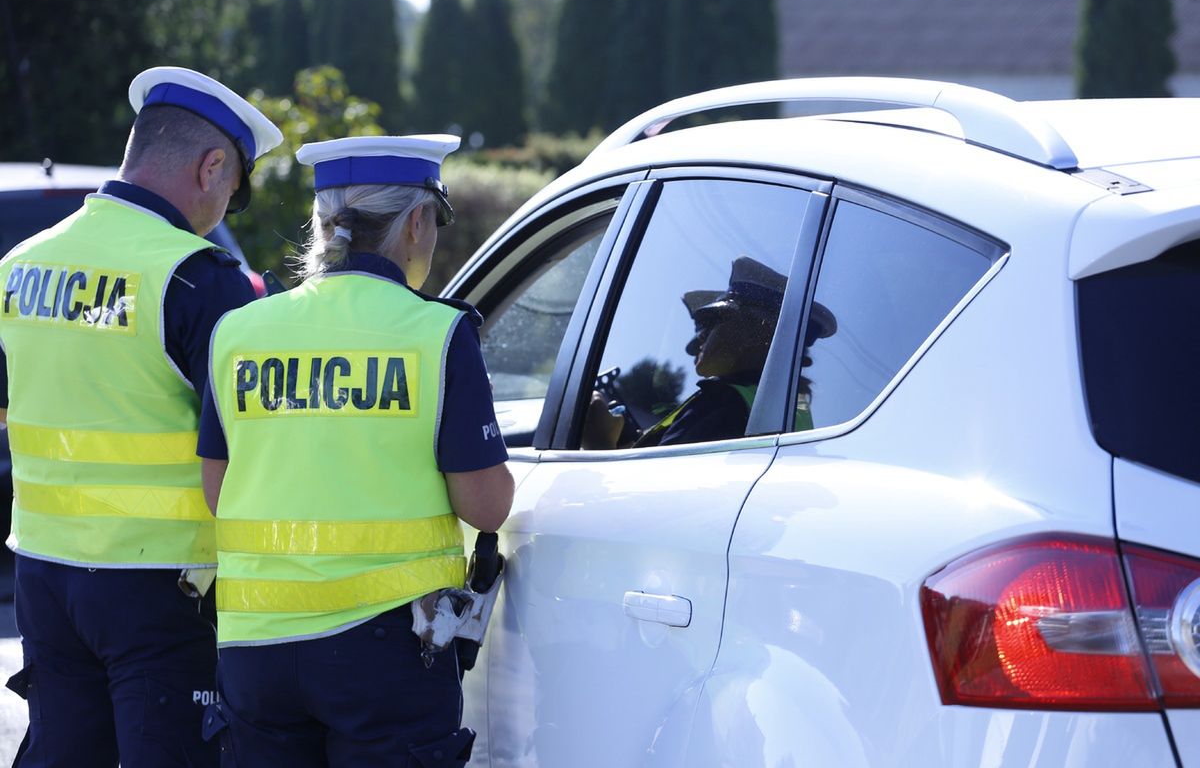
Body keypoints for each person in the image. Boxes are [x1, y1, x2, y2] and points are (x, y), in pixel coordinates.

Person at [198, 135, 515, 766]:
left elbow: (218, 492)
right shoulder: (437, 333)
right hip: (388, 653)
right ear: (417, 222)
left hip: (255, 647)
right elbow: (485, 507)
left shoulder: (238, 331)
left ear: (321, 225)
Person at [0, 66, 283, 766]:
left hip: (41, 574)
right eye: (232, 193)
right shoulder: (197, 279)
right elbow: (265, 445)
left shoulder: (19, 264)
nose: (224, 211)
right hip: (160, 588)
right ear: (211, 166)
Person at [584, 256, 836, 448]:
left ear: (757, 333)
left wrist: (598, 443)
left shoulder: (723, 404)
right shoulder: (789, 409)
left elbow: (640, 507)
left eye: (713, 320)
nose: (695, 342)